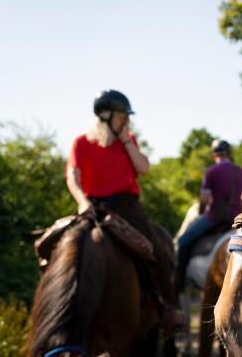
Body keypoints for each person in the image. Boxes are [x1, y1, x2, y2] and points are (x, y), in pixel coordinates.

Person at [66, 89, 184, 335]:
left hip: (127, 207)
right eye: (122, 116)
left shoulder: (127, 139)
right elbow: (73, 177)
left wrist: (127, 140)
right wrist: (82, 201)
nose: (126, 121)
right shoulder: (81, 142)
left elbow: (144, 167)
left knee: (156, 248)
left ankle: (169, 308)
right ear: (105, 116)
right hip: (92, 207)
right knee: (61, 246)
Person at [176, 139, 242, 293]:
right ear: (229, 153)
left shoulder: (211, 172)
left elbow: (205, 198)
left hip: (214, 217)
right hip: (236, 219)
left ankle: (180, 283)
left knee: (183, 242)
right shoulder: (241, 172)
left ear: (215, 155)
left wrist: (201, 210)